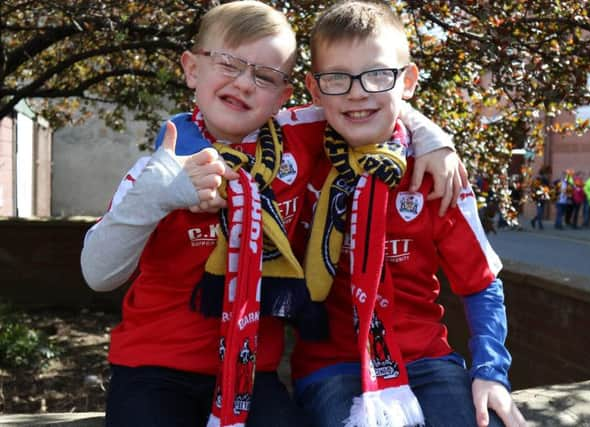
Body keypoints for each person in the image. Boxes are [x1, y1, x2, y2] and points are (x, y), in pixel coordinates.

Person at [80, 2, 466, 426]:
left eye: (264, 76)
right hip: (152, 369)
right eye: (228, 63)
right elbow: (99, 275)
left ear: (284, 96)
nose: (244, 83)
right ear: (192, 69)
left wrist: (432, 137)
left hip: (253, 374)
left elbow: (372, 98)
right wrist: (151, 199)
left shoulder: (297, 137)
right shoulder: (162, 164)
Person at [290, 2, 525, 427]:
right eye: (337, 78)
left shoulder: (435, 172)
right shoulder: (295, 146)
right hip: (334, 365)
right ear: (314, 89)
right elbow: (227, 122)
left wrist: (491, 372)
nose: (358, 92)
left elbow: (481, 282)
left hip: (426, 358)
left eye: (378, 74)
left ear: (409, 80)